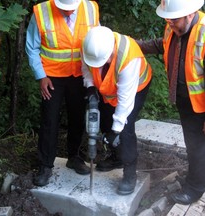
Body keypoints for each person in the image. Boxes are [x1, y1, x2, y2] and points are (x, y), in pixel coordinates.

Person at [136, 0, 205, 205]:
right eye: (168, 19)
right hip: (187, 101)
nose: (170, 23)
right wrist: (139, 45)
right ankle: (194, 176)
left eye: (174, 20)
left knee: (204, 147)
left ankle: (196, 188)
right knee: (193, 143)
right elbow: (163, 43)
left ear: (191, 13)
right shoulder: (175, 24)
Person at [25, 0, 100, 187]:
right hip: (52, 77)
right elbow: (31, 47)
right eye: (63, 9)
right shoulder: (41, 12)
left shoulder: (90, 8)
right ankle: (45, 165)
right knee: (49, 120)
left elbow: (97, 40)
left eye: (71, 9)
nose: (67, 13)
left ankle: (74, 156)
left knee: (77, 118)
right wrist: (41, 76)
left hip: (80, 74)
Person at [82, 26, 152, 195]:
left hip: (135, 88)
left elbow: (125, 101)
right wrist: (90, 86)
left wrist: (116, 130)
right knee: (106, 119)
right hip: (108, 89)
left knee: (125, 130)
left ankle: (130, 173)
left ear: (111, 51)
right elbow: (86, 67)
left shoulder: (129, 57)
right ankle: (117, 158)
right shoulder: (89, 46)